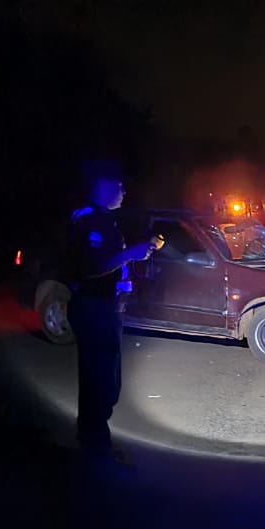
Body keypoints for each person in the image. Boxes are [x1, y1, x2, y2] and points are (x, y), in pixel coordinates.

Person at [65, 168, 164, 459]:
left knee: (105, 379)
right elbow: (91, 267)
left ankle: (96, 443)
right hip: (94, 308)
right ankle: (95, 450)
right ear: (103, 188)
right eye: (119, 186)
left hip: (103, 307)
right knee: (99, 381)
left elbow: (106, 261)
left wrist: (136, 252)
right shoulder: (90, 220)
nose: (124, 191)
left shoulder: (102, 219)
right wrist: (130, 254)